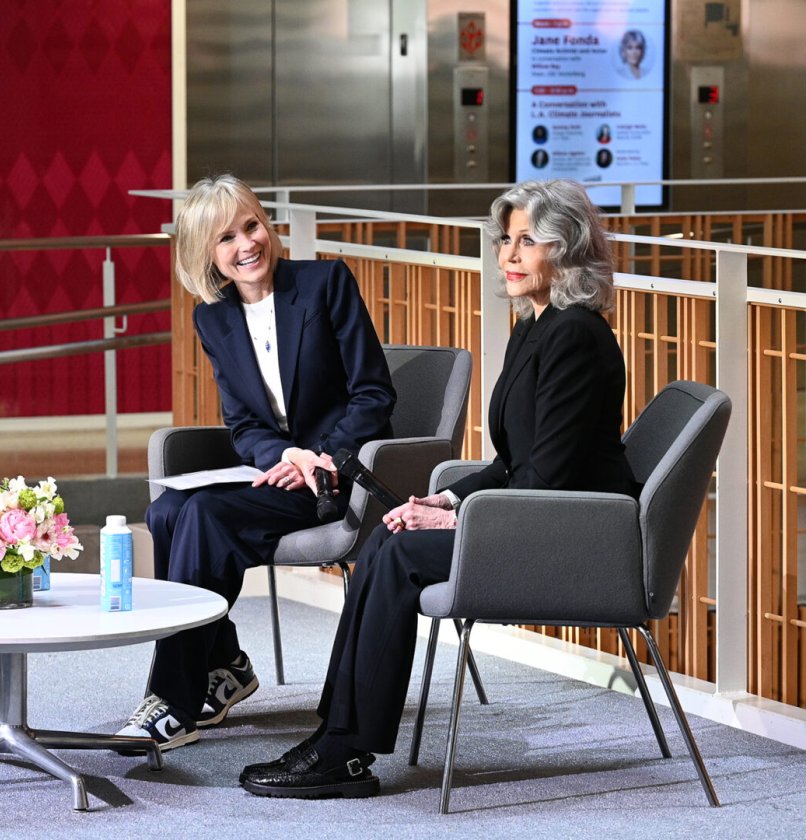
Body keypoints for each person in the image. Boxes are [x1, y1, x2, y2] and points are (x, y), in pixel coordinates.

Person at [239, 179, 638, 799]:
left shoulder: (577, 338)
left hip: (568, 535)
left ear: (566, 250)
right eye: (506, 239)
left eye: (526, 241)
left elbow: (549, 478)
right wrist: (446, 500)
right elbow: (515, 461)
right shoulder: (538, 326)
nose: (507, 254)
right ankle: (335, 735)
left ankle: (346, 749)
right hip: (530, 514)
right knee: (384, 539)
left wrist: (457, 521)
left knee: (396, 555)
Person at [123, 175, 396, 750]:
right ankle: (226, 665)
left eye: (252, 226)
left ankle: (174, 702)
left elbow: (374, 394)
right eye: (227, 238)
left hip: (335, 476)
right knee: (171, 511)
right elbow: (244, 424)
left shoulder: (325, 283)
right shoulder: (213, 318)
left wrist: (318, 456)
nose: (246, 245)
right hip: (280, 471)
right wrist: (282, 454)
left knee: (204, 519)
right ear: (207, 254)